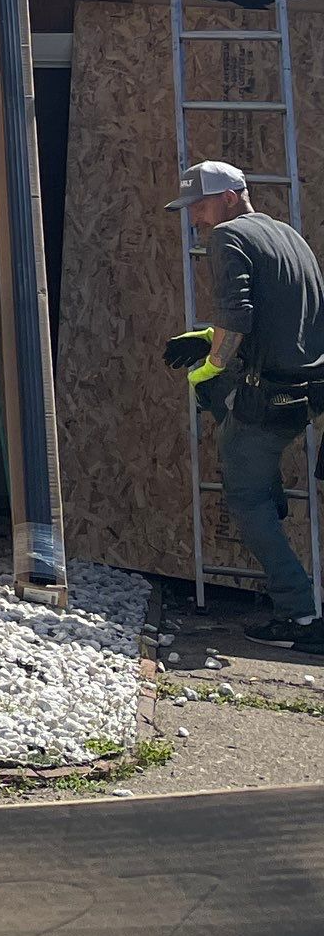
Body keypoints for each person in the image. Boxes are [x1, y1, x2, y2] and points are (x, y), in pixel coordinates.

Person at [163, 158, 324, 645]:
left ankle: (299, 618)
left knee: (245, 495)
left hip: (270, 395)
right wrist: (211, 337)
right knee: (254, 467)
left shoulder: (227, 238)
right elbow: (283, 315)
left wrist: (210, 367)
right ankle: (269, 494)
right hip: (308, 390)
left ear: (230, 197)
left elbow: (240, 318)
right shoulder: (287, 235)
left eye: (200, 205)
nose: (195, 217)